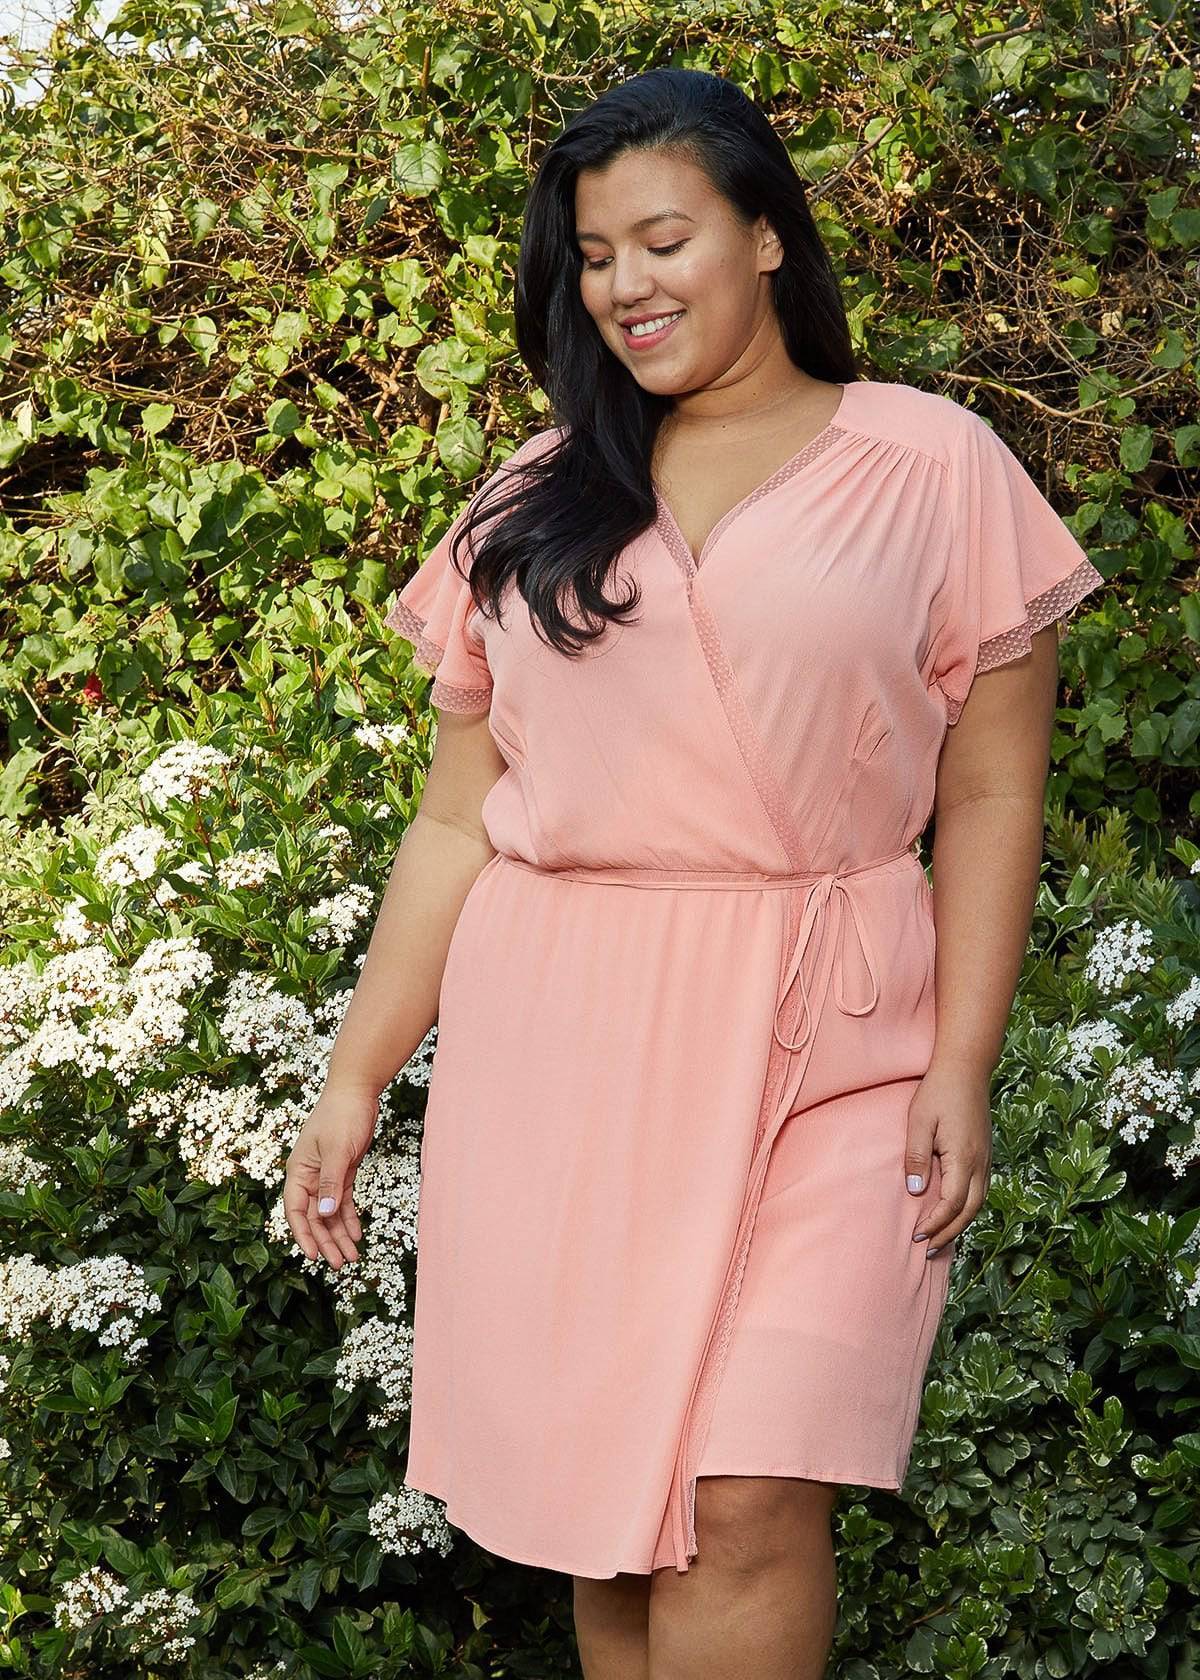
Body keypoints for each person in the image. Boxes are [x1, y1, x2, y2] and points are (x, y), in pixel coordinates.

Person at [284, 66, 1104, 1680]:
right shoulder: (535, 498)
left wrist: (965, 1059)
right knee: (610, 1511)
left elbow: (995, 788)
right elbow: (456, 821)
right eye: (595, 256)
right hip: (568, 1046)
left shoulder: (935, 466)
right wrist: (356, 1073)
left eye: (664, 240)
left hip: (839, 1037)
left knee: (742, 1497)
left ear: (767, 236)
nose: (626, 286)